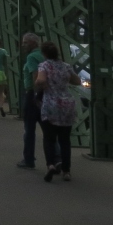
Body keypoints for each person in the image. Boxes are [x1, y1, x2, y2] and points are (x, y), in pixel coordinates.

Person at [35, 41, 81, 182]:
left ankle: (50, 165)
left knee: (49, 138)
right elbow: (77, 81)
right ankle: (66, 171)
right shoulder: (66, 66)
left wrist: (40, 85)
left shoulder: (44, 66)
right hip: (67, 104)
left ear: (44, 53)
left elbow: (40, 80)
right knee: (65, 140)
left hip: (51, 104)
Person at [16, 33, 41, 169]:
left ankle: (28, 159)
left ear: (33, 43)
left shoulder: (31, 57)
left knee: (29, 129)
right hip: (46, 94)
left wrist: (36, 96)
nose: (23, 45)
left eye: (25, 42)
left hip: (33, 95)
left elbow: (35, 77)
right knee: (49, 130)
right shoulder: (45, 55)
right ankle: (56, 159)